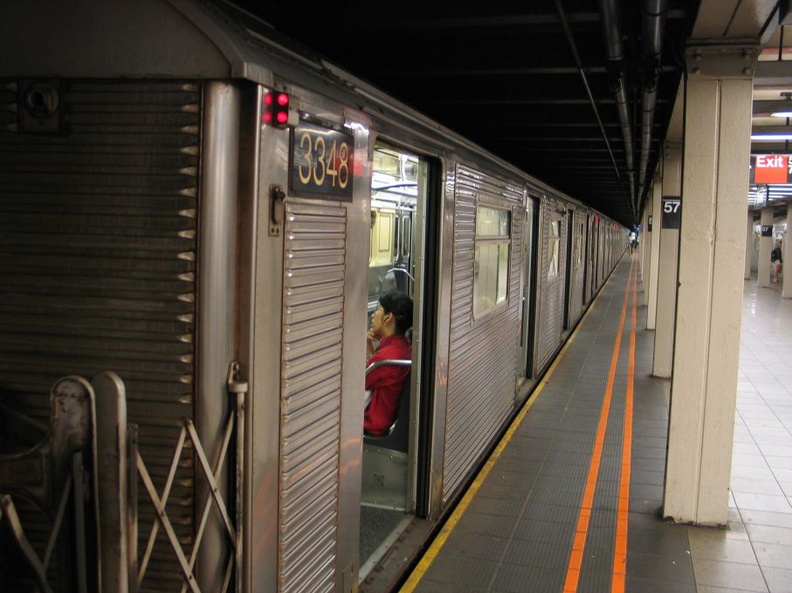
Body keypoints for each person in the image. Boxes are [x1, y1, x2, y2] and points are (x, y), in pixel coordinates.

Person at [364, 291, 413, 436]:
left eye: (378, 309)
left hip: (371, 426)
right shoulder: (403, 348)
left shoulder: (385, 358)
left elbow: (356, 385)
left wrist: (369, 355)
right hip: (387, 421)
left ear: (388, 317)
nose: (373, 315)